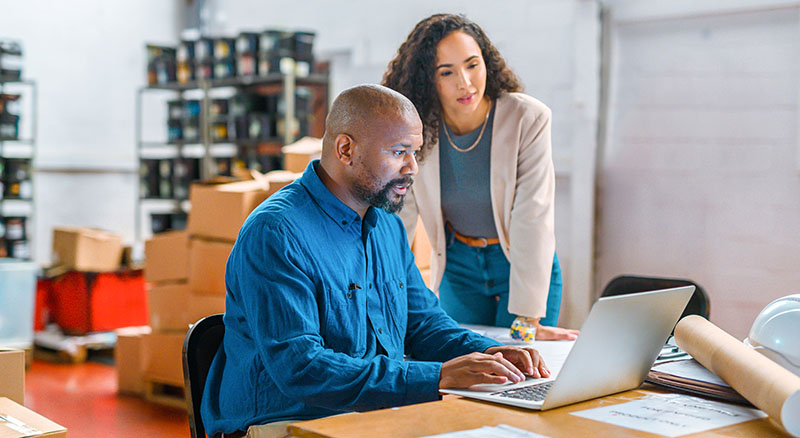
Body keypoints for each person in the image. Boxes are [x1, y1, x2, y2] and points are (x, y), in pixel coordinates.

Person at [200, 84, 550, 438]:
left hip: (366, 417)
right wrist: (437, 376)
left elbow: (423, 324)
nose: (412, 167)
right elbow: (302, 368)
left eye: (414, 152)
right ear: (346, 149)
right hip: (287, 423)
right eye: (399, 152)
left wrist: (493, 353)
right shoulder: (276, 233)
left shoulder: (387, 227)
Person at [383, 14, 579, 340]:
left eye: (472, 65)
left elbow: (534, 216)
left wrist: (527, 320)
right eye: (447, 72)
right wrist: (386, 299)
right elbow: (399, 219)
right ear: (427, 79)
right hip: (459, 268)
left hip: (519, 262)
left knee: (520, 370)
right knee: (468, 363)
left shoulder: (527, 118)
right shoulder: (419, 130)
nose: (465, 82)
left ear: (486, 62)